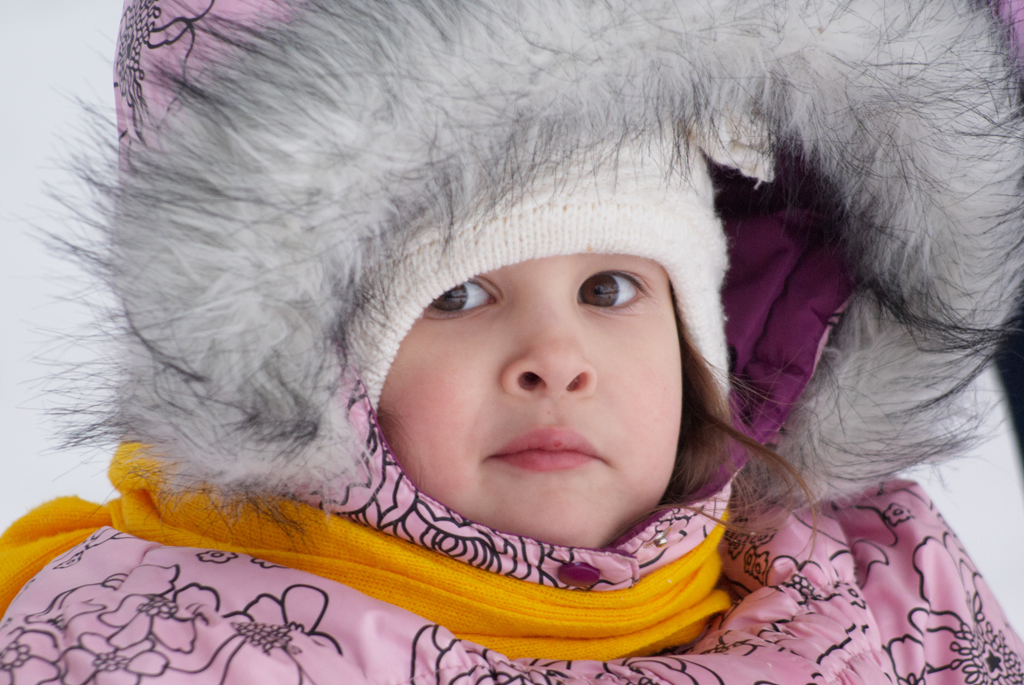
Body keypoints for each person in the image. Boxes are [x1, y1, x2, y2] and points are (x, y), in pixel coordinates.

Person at [1, 0, 1022, 683]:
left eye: (609, 289)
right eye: (459, 296)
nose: (554, 359)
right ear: (322, 369)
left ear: (700, 345)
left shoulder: (880, 582)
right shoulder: (177, 643)